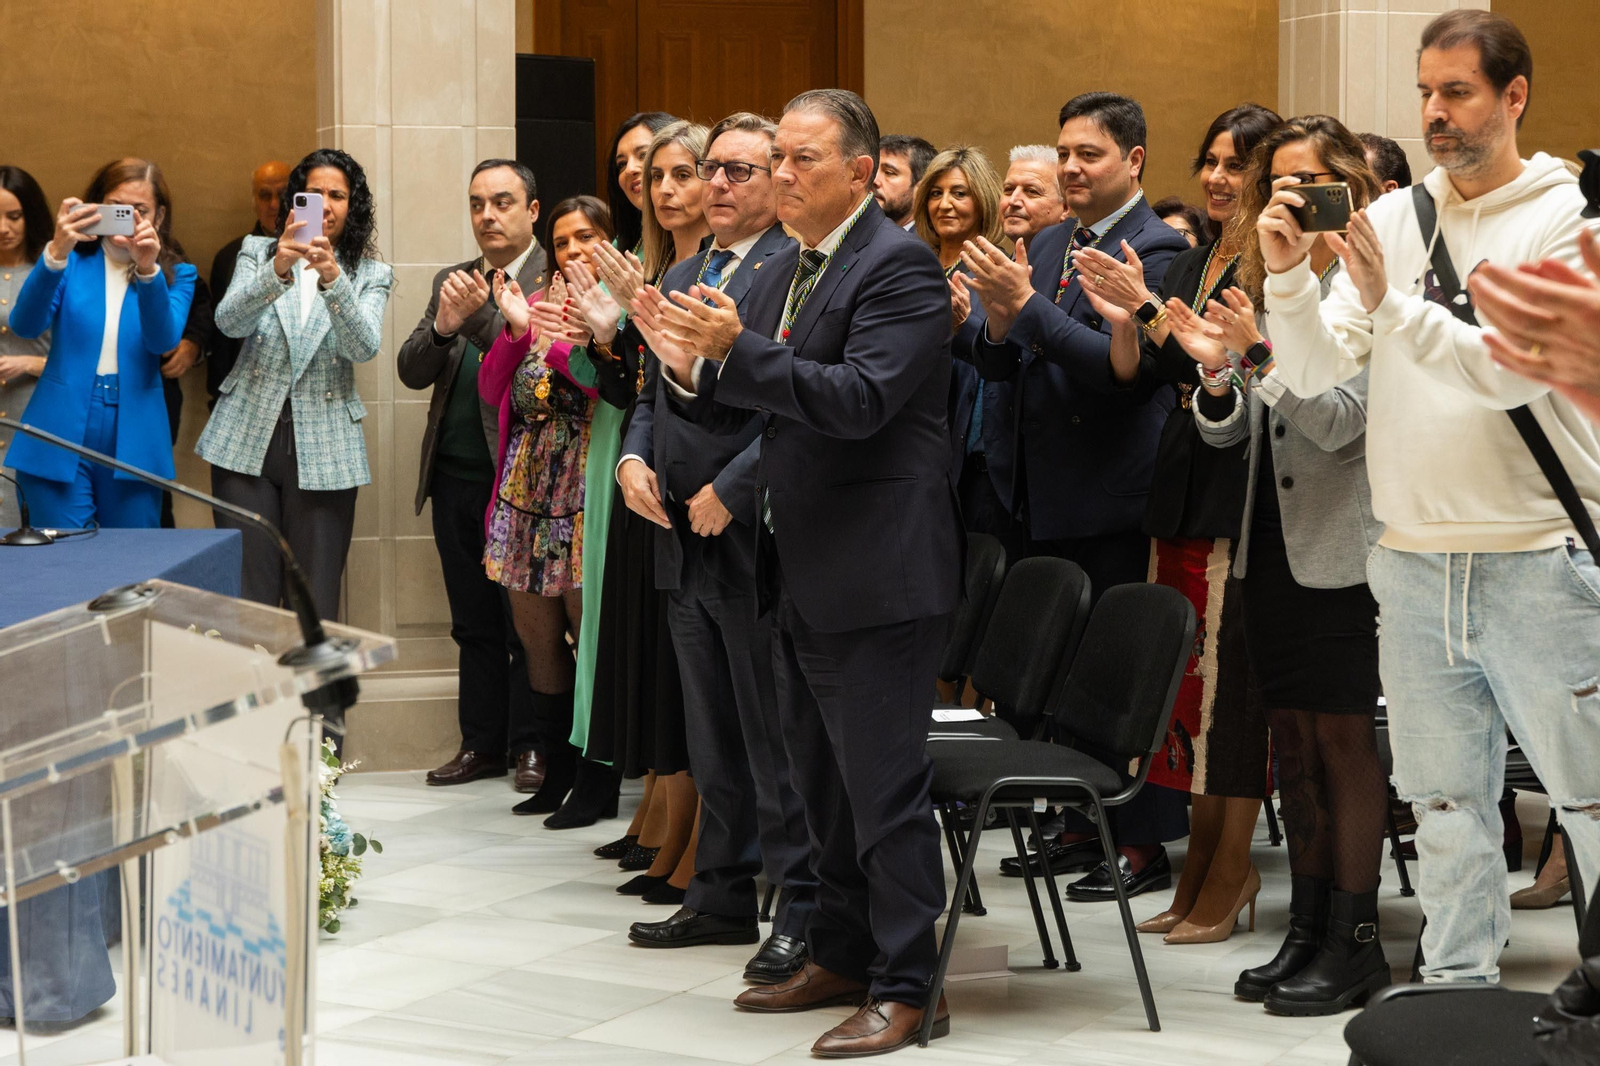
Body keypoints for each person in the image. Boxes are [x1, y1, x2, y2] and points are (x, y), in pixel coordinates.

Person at [1258, 10, 1600, 984]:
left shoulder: (1569, 220)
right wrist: (1289, 284)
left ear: (1513, 96)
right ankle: (1457, 998)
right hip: (1408, 562)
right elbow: (1319, 370)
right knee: (1443, 802)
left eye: (1456, 92)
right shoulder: (1399, 219)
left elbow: (1507, 371)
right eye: (1423, 92)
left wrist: (1390, 304)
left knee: (1588, 803)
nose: (1434, 113)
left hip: (1536, 556)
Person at [633, 88, 961, 1055]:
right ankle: (844, 951)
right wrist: (685, 359)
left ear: (860, 173)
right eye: (775, 156)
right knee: (820, 782)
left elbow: (857, 401)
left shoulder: (896, 268)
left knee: (883, 788)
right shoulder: (795, 266)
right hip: (800, 561)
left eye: (800, 159)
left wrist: (734, 353)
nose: (780, 174)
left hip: (880, 571)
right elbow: (762, 399)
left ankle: (913, 985)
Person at [1178, 115, 1390, 1013]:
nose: (1289, 204)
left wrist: (1257, 353)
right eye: (1279, 189)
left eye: (1307, 186)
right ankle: (1306, 928)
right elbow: (1240, 431)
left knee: (1341, 746)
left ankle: (1357, 939)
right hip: (1267, 542)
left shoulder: (1375, 290)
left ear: (1349, 190)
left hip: (1342, 550)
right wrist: (1220, 378)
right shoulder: (1278, 282)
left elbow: (1339, 422)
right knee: (1289, 746)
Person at [960, 92, 1189, 903]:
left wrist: (1023, 312)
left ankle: (1139, 841)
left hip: (1111, 489)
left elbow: (1119, 375)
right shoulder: (1051, 237)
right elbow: (998, 364)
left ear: (1132, 161)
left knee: (1120, 669)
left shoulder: (1158, 251)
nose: (1069, 167)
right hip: (1035, 485)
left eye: (1088, 154)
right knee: (1059, 670)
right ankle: (1069, 820)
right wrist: (993, 321)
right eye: (1064, 153)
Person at [611, 112, 817, 989]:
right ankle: (722, 891)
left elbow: (795, 408)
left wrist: (731, 492)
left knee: (770, 733)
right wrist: (631, 458)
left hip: (748, 529)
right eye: (713, 172)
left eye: (739, 171)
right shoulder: (690, 268)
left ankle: (796, 905)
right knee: (711, 727)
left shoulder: (789, 273)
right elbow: (657, 392)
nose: (721, 187)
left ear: (775, 179)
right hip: (675, 527)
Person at [1071, 103, 1281, 933]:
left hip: (1248, 479)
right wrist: (1130, 320)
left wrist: (1152, 312)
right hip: (1184, 473)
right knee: (1185, 688)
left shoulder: (1279, 260)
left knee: (1231, 689)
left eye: (1240, 163)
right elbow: (1154, 370)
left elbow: (1245, 363)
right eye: (1213, 161)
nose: (1220, 178)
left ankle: (1233, 871)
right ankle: (1197, 868)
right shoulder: (1196, 257)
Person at [570, 120, 710, 869]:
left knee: (679, 662)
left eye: (678, 173)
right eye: (653, 176)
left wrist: (624, 334)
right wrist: (604, 340)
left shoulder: (714, 266)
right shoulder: (652, 262)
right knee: (649, 653)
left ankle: (690, 824)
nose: (661, 188)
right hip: (641, 466)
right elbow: (634, 389)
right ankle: (660, 807)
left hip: (698, 481)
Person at [397, 158, 548, 794]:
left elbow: (536, 362)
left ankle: (533, 747)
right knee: (472, 622)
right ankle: (481, 742)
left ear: (532, 210)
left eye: (503, 202)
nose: (488, 215)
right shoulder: (453, 279)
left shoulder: (556, 275)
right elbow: (411, 369)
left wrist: (483, 316)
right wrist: (441, 324)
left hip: (519, 480)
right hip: (454, 478)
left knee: (530, 626)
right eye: (477, 203)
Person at [200, 148, 392, 618]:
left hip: (326, 443)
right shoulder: (255, 252)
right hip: (245, 440)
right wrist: (278, 268)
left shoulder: (370, 274)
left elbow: (362, 346)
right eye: (313, 193)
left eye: (337, 195)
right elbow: (228, 322)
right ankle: (260, 691)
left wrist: (331, 278)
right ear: (294, 201)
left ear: (353, 207)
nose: (324, 204)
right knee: (252, 594)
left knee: (314, 597)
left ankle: (310, 693)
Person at [560, 111, 678, 833]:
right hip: (620, 436)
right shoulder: (629, 251)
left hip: (663, 445)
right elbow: (601, 374)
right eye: (633, 163)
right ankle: (639, 789)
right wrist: (597, 342)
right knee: (610, 608)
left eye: (659, 163)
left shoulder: (661, 260)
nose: (643, 175)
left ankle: (654, 797)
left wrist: (616, 339)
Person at [4, 158, 196, 530]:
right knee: (64, 559)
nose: (127, 218)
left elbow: (162, 340)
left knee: (130, 564)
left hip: (135, 431)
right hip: (60, 423)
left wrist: (147, 270)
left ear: (158, 217)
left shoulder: (176, 274)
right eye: (117, 208)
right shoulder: (70, 262)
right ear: (97, 207)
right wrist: (56, 252)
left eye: (139, 210)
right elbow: (25, 325)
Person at [913, 146, 1008, 536]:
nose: (945, 204)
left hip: (963, 453)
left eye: (959, 193)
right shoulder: (912, 263)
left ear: (983, 199)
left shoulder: (994, 267)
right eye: (935, 193)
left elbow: (991, 356)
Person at [208, 161, 290, 405]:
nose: (274, 204)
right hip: (243, 392)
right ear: (254, 201)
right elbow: (221, 339)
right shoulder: (229, 257)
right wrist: (218, 396)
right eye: (265, 195)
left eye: (283, 195)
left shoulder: (317, 254)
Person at [0, 165, 53, 529]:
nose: (3, 227)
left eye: (14, 216)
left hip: (37, 407)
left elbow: (83, 358)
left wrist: (28, 363)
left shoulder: (52, 271)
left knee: (30, 518)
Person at [999, 144, 1067, 246]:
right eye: (1009, 190)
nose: (1013, 201)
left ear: (1064, 208)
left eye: (1031, 191)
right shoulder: (987, 261)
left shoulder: (1077, 261)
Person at [873, 133, 935, 229]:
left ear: (921, 190)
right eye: (873, 170)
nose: (874, 180)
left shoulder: (923, 243)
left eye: (889, 172)